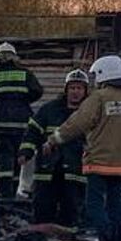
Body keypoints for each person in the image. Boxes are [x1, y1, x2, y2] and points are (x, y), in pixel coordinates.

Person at [45, 54, 121, 241]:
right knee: (116, 206)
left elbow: (77, 123)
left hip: (97, 161)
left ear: (102, 74)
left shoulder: (98, 98)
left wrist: (54, 140)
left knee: (94, 206)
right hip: (120, 163)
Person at [20, 69, 90, 228]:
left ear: (86, 91)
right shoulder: (49, 110)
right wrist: (26, 151)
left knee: (71, 211)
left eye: (79, 88)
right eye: (72, 88)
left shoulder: (90, 114)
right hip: (47, 170)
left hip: (75, 171)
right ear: (66, 90)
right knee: (42, 209)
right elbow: (32, 131)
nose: (75, 92)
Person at [0, 41, 42, 198]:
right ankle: (14, 192)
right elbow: (37, 91)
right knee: (18, 159)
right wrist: (23, 101)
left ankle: (3, 194)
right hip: (21, 123)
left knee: (3, 160)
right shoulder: (25, 74)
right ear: (14, 57)